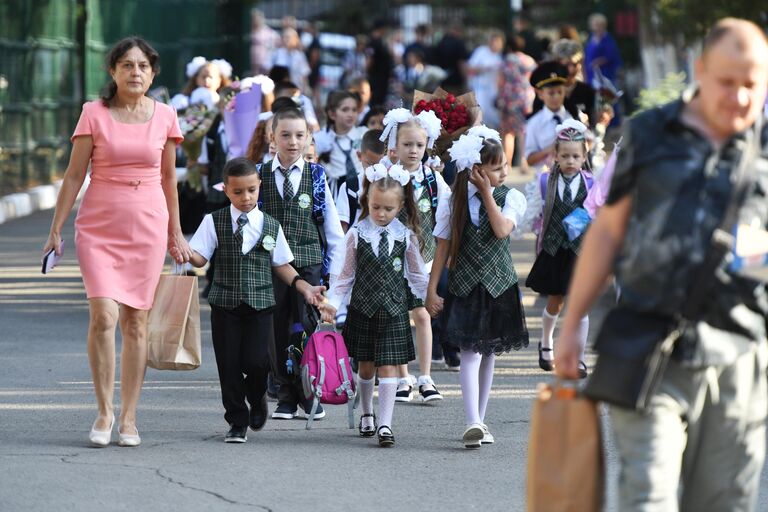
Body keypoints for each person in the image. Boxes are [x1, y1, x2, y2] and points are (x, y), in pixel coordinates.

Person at [556, 19, 768, 511]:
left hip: (740, 354)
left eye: (752, 84)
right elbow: (608, 230)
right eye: (726, 81)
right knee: (646, 497)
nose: (738, 97)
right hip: (649, 345)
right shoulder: (650, 134)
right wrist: (571, 327)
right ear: (699, 71)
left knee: (724, 502)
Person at [42, 37, 192, 447]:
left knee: (136, 322)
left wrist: (175, 233)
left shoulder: (165, 115)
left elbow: (168, 180)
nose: (135, 73)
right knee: (104, 316)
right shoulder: (94, 113)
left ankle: (129, 417)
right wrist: (55, 228)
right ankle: (104, 411)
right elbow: (74, 175)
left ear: (153, 72)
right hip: (99, 226)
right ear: (112, 72)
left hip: (147, 226)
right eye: (127, 65)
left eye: (143, 66)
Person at [187, 158, 325, 443]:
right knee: (228, 365)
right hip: (225, 304)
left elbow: (282, 265)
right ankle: (237, 420)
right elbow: (199, 257)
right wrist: (181, 250)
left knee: (257, 362)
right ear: (226, 190)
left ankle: (258, 395)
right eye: (238, 192)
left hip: (261, 304)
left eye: (251, 190)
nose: (246, 197)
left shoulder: (271, 225)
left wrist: (304, 287)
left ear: (259, 186)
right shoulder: (215, 222)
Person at [426, 130, 528, 448]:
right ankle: (472, 421)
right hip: (465, 284)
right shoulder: (452, 200)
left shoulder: (510, 197)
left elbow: (500, 231)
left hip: (499, 285)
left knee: (489, 353)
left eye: (505, 166)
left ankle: (480, 421)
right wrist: (432, 290)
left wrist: (486, 192)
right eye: (497, 168)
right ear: (476, 169)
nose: (504, 173)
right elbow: (442, 247)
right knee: (469, 352)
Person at [320, 164, 429, 447]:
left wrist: (430, 297)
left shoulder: (406, 236)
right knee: (366, 367)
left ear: (400, 206)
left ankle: (385, 424)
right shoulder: (357, 235)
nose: (381, 214)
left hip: (393, 310)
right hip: (363, 309)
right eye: (376, 207)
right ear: (367, 202)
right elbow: (344, 276)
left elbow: (417, 273)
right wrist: (332, 303)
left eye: (388, 209)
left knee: (390, 367)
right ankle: (367, 413)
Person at [259, 103, 345, 421]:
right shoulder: (260, 176)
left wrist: (335, 275)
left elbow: (332, 229)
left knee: (307, 328)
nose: (292, 142)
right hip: (272, 268)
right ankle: (284, 393)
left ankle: (310, 393)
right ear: (273, 137)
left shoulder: (316, 175)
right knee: (276, 329)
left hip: (309, 264)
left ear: (309, 138)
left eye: (299, 135)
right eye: (285, 135)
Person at [379, 108, 447, 402]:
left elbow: (445, 213)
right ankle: (403, 376)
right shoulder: (386, 176)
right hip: (393, 258)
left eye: (419, 145)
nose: (414, 150)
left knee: (421, 314)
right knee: (397, 316)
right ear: (395, 145)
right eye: (407, 144)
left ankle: (426, 376)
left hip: (424, 257)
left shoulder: (432, 178)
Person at [524, 120, 593, 378]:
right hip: (554, 249)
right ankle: (546, 342)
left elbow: (597, 211)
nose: (570, 161)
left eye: (576, 156)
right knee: (556, 301)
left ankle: (580, 357)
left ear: (584, 156)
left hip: (580, 251)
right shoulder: (545, 181)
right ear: (556, 155)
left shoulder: (590, 184)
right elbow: (534, 211)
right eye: (565, 156)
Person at [314, 90, 368, 198]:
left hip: (362, 189)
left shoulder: (363, 134)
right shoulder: (320, 138)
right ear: (332, 114)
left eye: (354, 110)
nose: (350, 114)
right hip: (335, 192)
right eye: (345, 110)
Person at [496, 34, 537, 171]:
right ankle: (524, 161)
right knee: (523, 131)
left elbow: (500, 81)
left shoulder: (506, 61)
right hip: (525, 99)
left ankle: (507, 163)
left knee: (508, 133)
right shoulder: (529, 61)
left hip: (509, 99)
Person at [524, 61, 573, 174]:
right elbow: (529, 159)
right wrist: (550, 150)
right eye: (551, 93)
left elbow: (588, 142)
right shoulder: (534, 123)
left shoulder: (572, 117)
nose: (556, 96)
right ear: (540, 94)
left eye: (560, 92)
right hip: (545, 179)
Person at [337, 129, 386, 232]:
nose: (375, 170)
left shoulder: (395, 186)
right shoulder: (349, 188)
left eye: (381, 165)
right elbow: (342, 231)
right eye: (370, 164)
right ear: (359, 156)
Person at [467, 31, 505, 129]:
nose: (496, 45)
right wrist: (484, 69)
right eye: (494, 42)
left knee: (494, 119)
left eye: (499, 43)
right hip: (480, 89)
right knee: (479, 117)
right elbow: (470, 68)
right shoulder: (481, 51)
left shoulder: (500, 56)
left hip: (494, 91)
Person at [584, 13, 622, 89]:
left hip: (606, 75)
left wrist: (598, 62)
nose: (596, 27)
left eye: (598, 25)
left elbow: (611, 55)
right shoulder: (591, 38)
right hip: (592, 75)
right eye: (594, 24)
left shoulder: (608, 39)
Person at [271, 28, 312, 94]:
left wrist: (304, 91)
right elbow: (268, 70)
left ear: (295, 39)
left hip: (295, 91)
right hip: (279, 91)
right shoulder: (276, 54)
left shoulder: (300, 56)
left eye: (289, 37)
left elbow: (305, 75)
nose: (287, 40)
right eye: (285, 37)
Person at [434, 24, 469, 94]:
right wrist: (465, 80)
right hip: (456, 83)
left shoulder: (441, 43)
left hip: (442, 82)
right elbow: (461, 63)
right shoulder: (459, 43)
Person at [366, 20, 394, 107]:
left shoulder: (381, 41)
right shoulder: (373, 42)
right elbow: (369, 59)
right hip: (377, 78)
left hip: (383, 78)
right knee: (376, 101)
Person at [250, 8, 280, 75]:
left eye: (257, 18)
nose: (256, 20)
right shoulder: (248, 30)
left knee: (263, 80)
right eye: (254, 18)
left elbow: (276, 44)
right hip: (251, 62)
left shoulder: (269, 32)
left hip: (264, 63)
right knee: (254, 80)